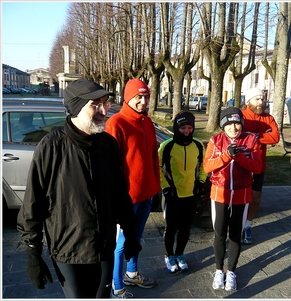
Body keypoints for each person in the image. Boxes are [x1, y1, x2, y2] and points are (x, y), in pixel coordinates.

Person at [16, 78, 142, 298]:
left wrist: (131, 234)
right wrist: (33, 254)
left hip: (104, 246)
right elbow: (32, 205)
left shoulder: (108, 145)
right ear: (76, 108)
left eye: (105, 103)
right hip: (68, 251)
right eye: (96, 104)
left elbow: (120, 195)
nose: (104, 110)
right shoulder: (51, 146)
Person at [105, 78, 160, 298]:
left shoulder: (147, 122)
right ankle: (117, 287)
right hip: (126, 199)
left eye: (146, 96)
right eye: (138, 97)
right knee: (120, 244)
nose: (143, 101)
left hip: (146, 194)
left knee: (136, 239)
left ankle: (132, 272)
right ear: (128, 98)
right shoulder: (116, 123)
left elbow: (153, 157)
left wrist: (155, 186)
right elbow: (110, 166)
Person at [203, 107, 263, 291]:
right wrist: (227, 155)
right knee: (220, 234)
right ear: (223, 125)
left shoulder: (252, 140)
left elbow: (258, 167)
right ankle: (219, 269)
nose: (234, 128)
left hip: (241, 195)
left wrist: (239, 157)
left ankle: (231, 272)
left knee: (235, 235)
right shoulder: (215, 140)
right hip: (219, 193)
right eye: (229, 124)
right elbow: (207, 167)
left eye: (237, 123)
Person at [158, 111, 208, 273]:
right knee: (171, 228)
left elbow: (204, 166)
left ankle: (180, 254)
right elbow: (157, 168)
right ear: (176, 127)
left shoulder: (198, 145)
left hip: (191, 194)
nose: (186, 131)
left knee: (186, 228)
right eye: (182, 128)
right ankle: (169, 255)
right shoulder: (167, 146)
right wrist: (165, 187)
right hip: (173, 194)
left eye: (189, 128)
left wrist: (201, 182)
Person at [241, 88, 280, 244]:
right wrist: (262, 135)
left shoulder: (268, 118)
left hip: (259, 165)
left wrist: (257, 136)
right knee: (240, 198)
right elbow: (238, 134)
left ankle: (248, 225)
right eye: (256, 99)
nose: (260, 102)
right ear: (248, 101)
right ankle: (236, 225)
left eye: (262, 99)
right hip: (242, 164)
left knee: (255, 199)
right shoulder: (241, 116)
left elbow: (275, 137)